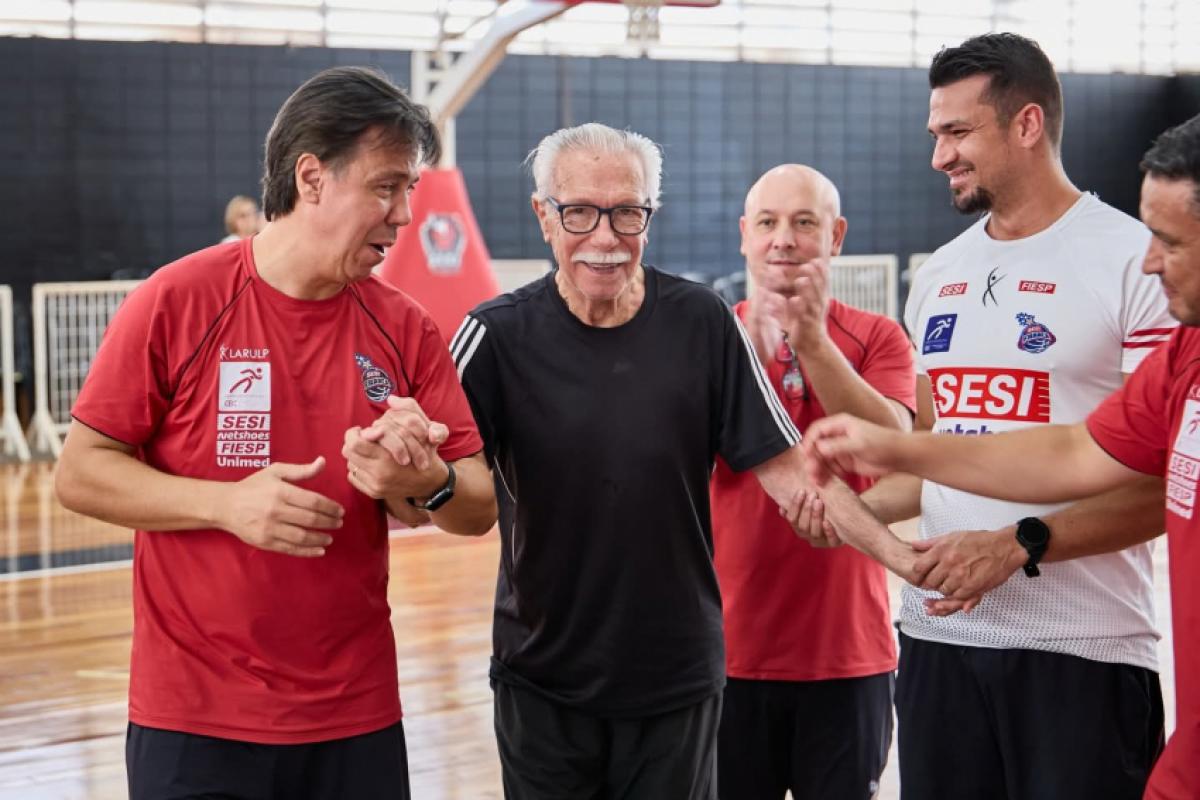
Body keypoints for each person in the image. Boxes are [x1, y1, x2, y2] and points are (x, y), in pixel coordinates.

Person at [54, 66, 497, 800]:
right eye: (386, 187)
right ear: (313, 178)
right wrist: (224, 504)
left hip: (354, 717)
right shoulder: (177, 300)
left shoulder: (406, 328)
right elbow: (80, 471)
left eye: (410, 191)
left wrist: (421, 483)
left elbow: (476, 504)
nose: (404, 215)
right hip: (193, 719)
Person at [450, 123, 917, 800]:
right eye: (579, 212)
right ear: (543, 216)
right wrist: (408, 470)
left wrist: (908, 563)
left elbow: (793, 471)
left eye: (628, 213)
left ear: (650, 215)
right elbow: (447, 485)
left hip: (684, 678)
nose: (606, 238)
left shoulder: (701, 323)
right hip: (544, 675)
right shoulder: (494, 335)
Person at [796, 33, 1174, 800]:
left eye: (958, 132)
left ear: (1026, 124)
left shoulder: (1139, 262)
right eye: (936, 133)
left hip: (1084, 648)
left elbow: (1162, 484)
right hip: (939, 644)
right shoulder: (940, 275)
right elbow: (939, 460)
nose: (939, 155)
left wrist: (1017, 546)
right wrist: (848, 508)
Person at [710, 164, 915, 800]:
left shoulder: (878, 337)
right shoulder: (711, 339)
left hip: (847, 654)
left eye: (805, 223)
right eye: (768, 223)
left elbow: (896, 442)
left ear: (836, 236)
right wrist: (746, 345)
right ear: (744, 234)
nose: (784, 239)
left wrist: (814, 344)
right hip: (727, 654)